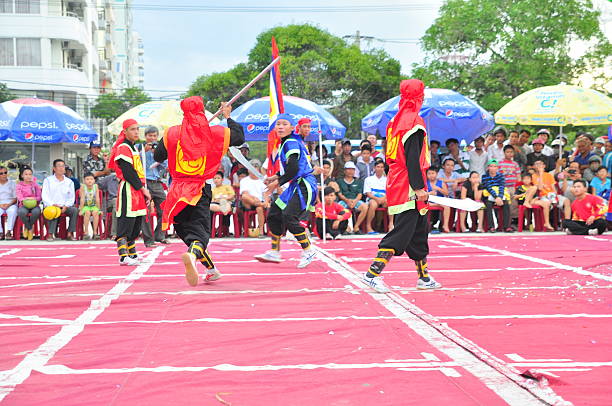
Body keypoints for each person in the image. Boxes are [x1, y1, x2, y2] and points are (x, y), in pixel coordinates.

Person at [362, 79, 441, 293]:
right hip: (408, 183)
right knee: (403, 231)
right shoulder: (414, 123)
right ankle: (373, 273)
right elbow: (413, 158)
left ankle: (423, 277)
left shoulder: (395, 121)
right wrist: (418, 188)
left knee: (418, 230)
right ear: (418, 97)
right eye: (422, 95)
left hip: (398, 179)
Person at [154, 97, 243, 286]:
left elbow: (158, 156)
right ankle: (193, 255)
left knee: (186, 230)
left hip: (177, 190)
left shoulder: (171, 133)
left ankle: (211, 270)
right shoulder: (215, 133)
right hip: (199, 188)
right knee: (200, 233)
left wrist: (175, 137)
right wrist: (228, 116)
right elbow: (239, 137)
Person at [254, 114, 318, 268]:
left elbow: (294, 168)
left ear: (291, 127)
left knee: (289, 216)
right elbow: (290, 169)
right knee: (275, 213)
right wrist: (274, 177)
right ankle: (274, 252)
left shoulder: (290, 142)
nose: (280, 127)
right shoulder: (289, 142)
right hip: (296, 183)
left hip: (305, 184)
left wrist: (276, 183)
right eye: (278, 124)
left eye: (284, 124)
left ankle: (308, 250)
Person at [108, 119, 151, 264]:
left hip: (136, 189)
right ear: (125, 132)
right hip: (128, 188)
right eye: (132, 129)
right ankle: (123, 256)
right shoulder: (123, 147)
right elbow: (128, 172)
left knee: (136, 222)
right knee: (126, 222)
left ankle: (132, 254)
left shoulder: (132, 147)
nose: (136, 132)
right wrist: (143, 188)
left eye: (137, 129)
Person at [139, 126, 169, 247]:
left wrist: (157, 155)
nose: (152, 138)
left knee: (165, 209)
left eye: (154, 136)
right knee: (145, 211)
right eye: (149, 136)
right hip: (145, 183)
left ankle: (159, 235)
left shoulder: (160, 148)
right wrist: (145, 152)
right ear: (145, 137)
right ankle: (148, 239)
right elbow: (136, 162)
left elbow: (165, 166)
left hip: (157, 182)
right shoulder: (139, 147)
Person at [42, 159, 78, 241]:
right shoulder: (48, 180)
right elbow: (45, 195)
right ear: (54, 168)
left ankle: (70, 233)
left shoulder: (69, 182)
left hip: (65, 206)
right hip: (51, 206)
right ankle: (50, 234)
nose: (62, 168)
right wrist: (52, 204)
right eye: (59, 166)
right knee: (54, 211)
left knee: (75, 210)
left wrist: (66, 206)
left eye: (63, 166)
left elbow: (71, 197)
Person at [239, 159, 269, 237]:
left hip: (260, 203)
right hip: (249, 202)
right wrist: (254, 199)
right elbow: (244, 193)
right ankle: (260, 204)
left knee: (259, 208)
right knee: (245, 197)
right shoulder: (244, 181)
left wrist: (265, 201)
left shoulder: (262, 180)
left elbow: (266, 193)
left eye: (256, 168)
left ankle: (261, 231)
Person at [336, 161, 368, 234]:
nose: (351, 171)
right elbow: (340, 194)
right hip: (344, 200)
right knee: (339, 207)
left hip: (355, 200)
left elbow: (360, 194)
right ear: (344, 170)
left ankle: (356, 227)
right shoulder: (339, 181)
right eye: (348, 169)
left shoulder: (359, 182)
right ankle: (347, 228)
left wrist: (355, 201)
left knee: (365, 207)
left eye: (352, 169)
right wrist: (347, 201)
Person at [481, 159, 512, 232]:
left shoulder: (500, 176)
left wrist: (499, 197)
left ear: (497, 168)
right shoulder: (484, 176)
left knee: (506, 204)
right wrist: (496, 197)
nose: (493, 168)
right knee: (488, 205)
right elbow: (488, 187)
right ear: (488, 167)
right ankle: (491, 226)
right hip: (489, 195)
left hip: (499, 195)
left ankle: (506, 226)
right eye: (491, 166)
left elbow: (502, 187)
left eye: (495, 166)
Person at [363, 159, 390, 234]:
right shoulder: (368, 179)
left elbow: (389, 192)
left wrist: (383, 198)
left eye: (382, 167)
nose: (380, 169)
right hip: (373, 198)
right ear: (374, 168)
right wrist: (377, 199)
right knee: (373, 204)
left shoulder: (387, 179)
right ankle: (369, 227)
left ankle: (391, 225)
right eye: (378, 167)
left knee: (390, 203)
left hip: (384, 198)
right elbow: (368, 193)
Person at [16, 167, 42, 240]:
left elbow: (39, 197)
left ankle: (27, 228)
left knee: (37, 212)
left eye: (30, 174)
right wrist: (25, 199)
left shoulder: (35, 185)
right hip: (23, 205)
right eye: (26, 174)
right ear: (22, 175)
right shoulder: (19, 185)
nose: (28, 176)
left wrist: (33, 199)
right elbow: (19, 197)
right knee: (21, 212)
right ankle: (30, 229)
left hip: (34, 205)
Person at [426, 167, 451, 233]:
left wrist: (439, 189)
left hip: (439, 202)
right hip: (429, 202)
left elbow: (447, 193)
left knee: (447, 206)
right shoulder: (425, 183)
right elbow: (422, 193)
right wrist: (430, 193)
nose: (431, 175)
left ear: (436, 174)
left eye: (433, 173)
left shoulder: (441, 182)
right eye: (429, 173)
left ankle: (445, 225)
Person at [79, 173, 101, 239]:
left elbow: (97, 198)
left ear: (94, 180)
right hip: (85, 206)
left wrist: (99, 209)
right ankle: (86, 232)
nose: (89, 181)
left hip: (93, 205)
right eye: (87, 179)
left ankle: (95, 232)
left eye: (91, 179)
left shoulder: (96, 186)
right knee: (87, 212)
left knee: (95, 212)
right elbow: (82, 199)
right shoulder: (83, 187)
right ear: (84, 180)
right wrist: (81, 209)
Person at [98, 173, 119, 239]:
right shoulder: (110, 178)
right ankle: (114, 233)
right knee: (116, 205)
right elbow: (97, 185)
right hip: (113, 200)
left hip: (126, 199)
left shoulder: (129, 177)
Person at [0, 165, 18, 240]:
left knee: (12, 211)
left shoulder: (12, 183)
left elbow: (15, 198)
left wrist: (9, 204)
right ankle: (0, 232)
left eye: (5, 172)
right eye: (1, 173)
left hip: (11, 203)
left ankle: (9, 231)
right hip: (0, 204)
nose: (4, 175)